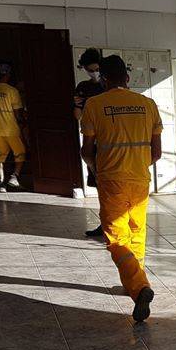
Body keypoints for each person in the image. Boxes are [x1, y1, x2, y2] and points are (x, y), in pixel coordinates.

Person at [80, 54, 162, 322]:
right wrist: (136, 164)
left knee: (116, 238)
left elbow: (86, 151)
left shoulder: (94, 105)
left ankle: (139, 287)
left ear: (104, 79)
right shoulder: (148, 104)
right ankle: (133, 283)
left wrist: (97, 168)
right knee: (136, 233)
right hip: (140, 180)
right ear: (127, 77)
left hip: (111, 180)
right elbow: (156, 152)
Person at [74, 48, 106, 237]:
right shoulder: (83, 87)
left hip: (108, 140)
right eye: (90, 70)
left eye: (97, 69)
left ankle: (116, 222)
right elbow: (77, 115)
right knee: (100, 184)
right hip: (91, 140)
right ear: (84, 69)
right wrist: (78, 104)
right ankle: (105, 222)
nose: (94, 73)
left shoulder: (108, 86)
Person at [0, 63, 26, 192]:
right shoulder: (12, 91)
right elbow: (17, 113)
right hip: (12, 129)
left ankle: (1, 183)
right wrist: (23, 123)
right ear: (8, 75)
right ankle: (14, 176)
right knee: (20, 154)